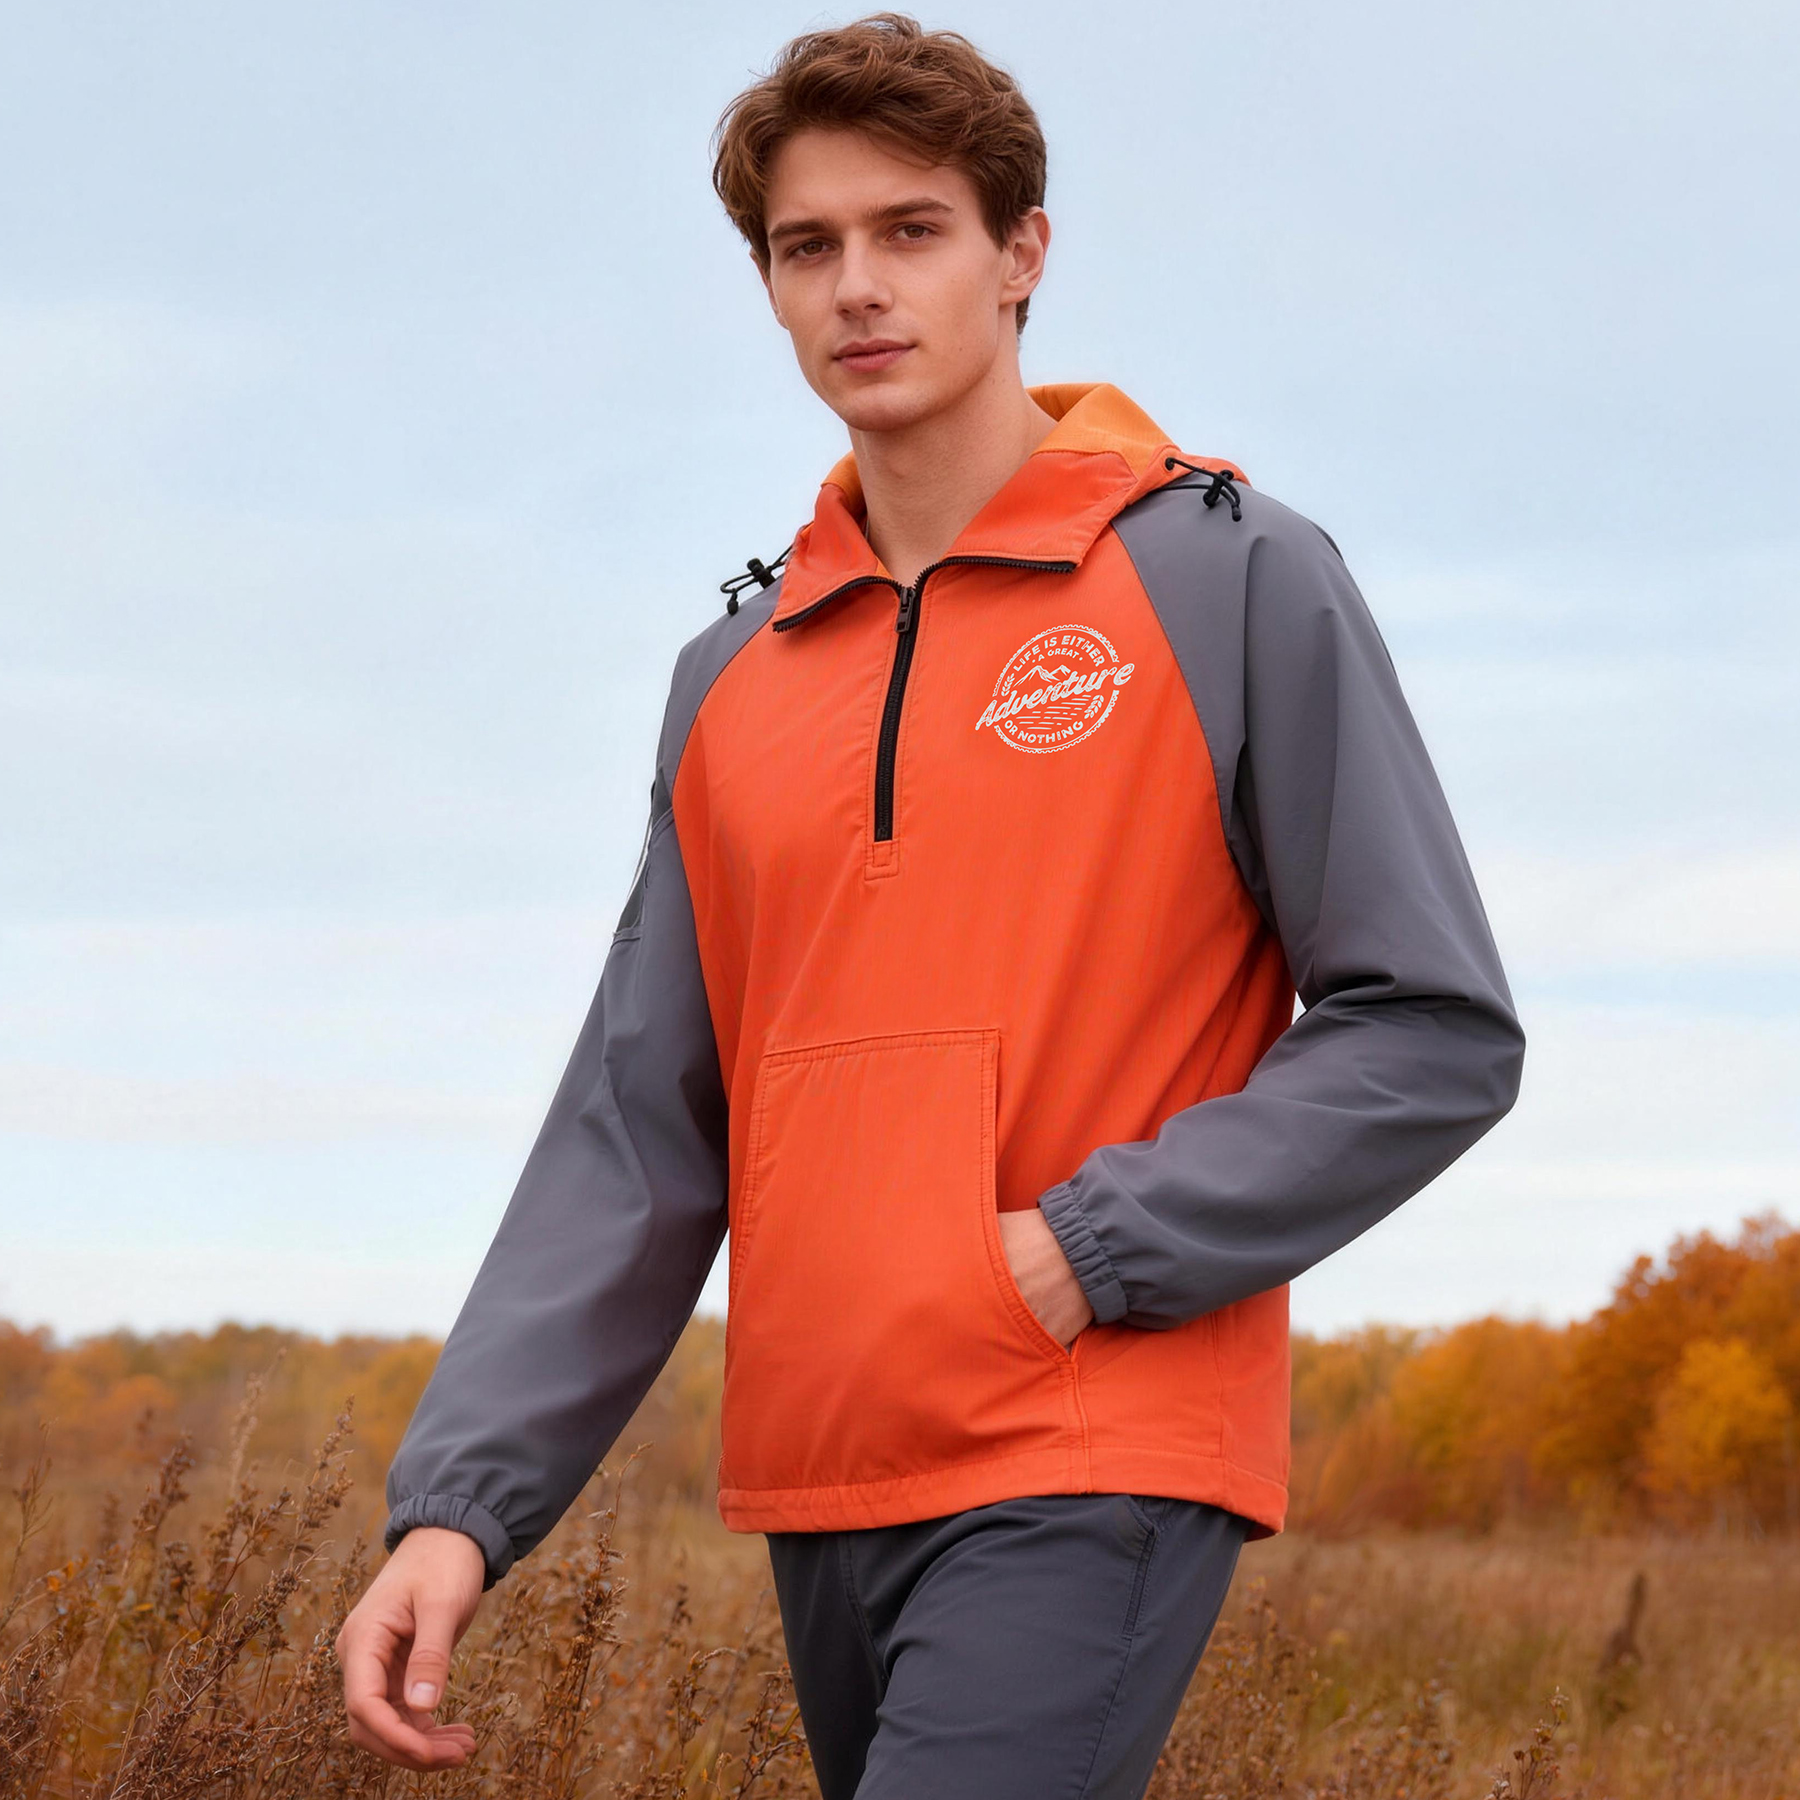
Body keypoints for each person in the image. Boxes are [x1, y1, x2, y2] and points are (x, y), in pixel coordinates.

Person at [336, 14, 1525, 1796]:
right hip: (827, 1471)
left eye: (912, 231)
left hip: (1090, 1439)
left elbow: (1430, 1028)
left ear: (1020, 252)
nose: (859, 289)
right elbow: (641, 1127)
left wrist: (1090, 1251)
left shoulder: (1232, 577)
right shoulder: (732, 676)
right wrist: (460, 1506)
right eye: (806, 248)